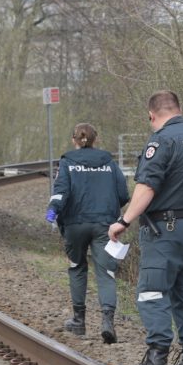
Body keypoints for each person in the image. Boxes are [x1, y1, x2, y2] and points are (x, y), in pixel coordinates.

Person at [108, 90, 183, 365]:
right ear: (179, 109)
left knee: (151, 291)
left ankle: (156, 359)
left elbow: (147, 187)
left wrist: (123, 221)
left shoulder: (162, 140)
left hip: (164, 230)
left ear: (152, 115)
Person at [46, 123, 130, 343]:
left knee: (77, 267)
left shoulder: (67, 162)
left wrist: (53, 211)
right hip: (105, 225)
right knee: (106, 273)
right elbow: (123, 193)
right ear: (96, 140)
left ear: (74, 140)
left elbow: (61, 190)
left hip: (74, 224)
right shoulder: (109, 163)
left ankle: (79, 321)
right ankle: (107, 322)